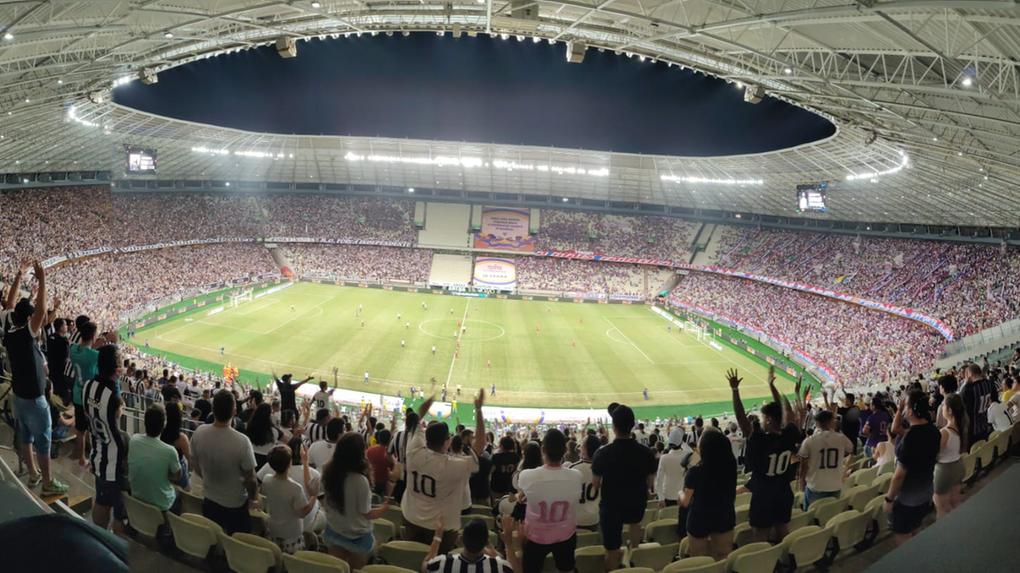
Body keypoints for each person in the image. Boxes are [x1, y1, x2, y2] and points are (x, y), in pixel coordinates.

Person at [3, 261, 69, 495]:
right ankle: (48, 483)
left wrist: (19, 276)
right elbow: (40, 313)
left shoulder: (8, 329)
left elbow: (10, 304)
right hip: (33, 398)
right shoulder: (25, 335)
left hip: (18, 394)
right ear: (28, 321)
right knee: (43, 439)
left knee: (25, 435)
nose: (39, 323)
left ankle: (32, 475)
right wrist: (42, 280)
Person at [402, 392, 487, 554]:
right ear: (447, 442)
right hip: (442, 529)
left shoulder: (413, 451)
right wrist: (479, 410)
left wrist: (431, 397)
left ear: (426, 438)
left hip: (411, 518)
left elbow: (417, 417)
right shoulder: (455, 466)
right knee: (437, 564)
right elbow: (479, 447)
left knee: (410, 556)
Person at [729, 367, 801, 542]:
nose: (760, 421)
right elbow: (785, 413)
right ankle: (785, 560)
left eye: (762, 418)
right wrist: (771, 387)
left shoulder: (760, 439)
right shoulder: (789, 433)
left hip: (764, 496)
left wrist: (735, 390)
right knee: (783, 528)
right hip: (783, 492)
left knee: (760, 535)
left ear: (768, 419)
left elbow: (741, 419)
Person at [591, 403, 657, 571]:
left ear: (613, 427)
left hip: (611, 507)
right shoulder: (646, 452)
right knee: (635, 525)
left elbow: (595, 484)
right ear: (632, 425)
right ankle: (634, 558)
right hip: (636, 503)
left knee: (611, 552)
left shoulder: (602, 453)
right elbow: (650, 483)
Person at [190, 390, 258, 534]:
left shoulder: (199, 432)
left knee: (212, 536)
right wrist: (253, 498)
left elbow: (194, 464)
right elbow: (251, 478)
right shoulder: (242, 441)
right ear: (234, 411)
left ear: (213, 410)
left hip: (209, 499)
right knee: (238, 542)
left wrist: (209, 479)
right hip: (235, 504)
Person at [517, 428, 584, 573]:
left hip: (535, 537)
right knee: (567, 568)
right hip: (566, 535)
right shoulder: (576, 476)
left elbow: (522, 494)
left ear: (543, 449)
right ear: (565, 450)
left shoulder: (527, 476)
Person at [321, 432, 390, 569]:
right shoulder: (360, 480)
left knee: (337, 569)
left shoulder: (328, 471)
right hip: (357, 536)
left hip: (334, 529)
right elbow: (366, 513)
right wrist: (384, 509)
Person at [884, 390, 940, 546]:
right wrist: (900, 407)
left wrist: (889, 499)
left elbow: (899, 476)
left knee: (902, 538)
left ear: (910, 411)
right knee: (915, 529)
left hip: (907, 500)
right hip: (926, 494)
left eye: (905, 407)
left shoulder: (910, 438)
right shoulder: (934, 431)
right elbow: (895, 429)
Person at [83, 345, 129, 534]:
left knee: (101, 501)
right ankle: (116, 547)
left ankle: (99, 536)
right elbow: (118, 413)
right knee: (120, 514)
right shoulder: (114, 399)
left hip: (97, 455)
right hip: (115, 464)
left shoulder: (87, 387)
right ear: (117, 370)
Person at [681, 429, 737, 561]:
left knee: (700, 560)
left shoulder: (695, 472)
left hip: (699, 518)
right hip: (724, 514)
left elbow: (685, 501)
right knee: (723, 556)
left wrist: (679, 493)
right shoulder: (731, 465)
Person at [261, 444, 318, 553]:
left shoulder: (266, 480)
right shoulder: (295, 488)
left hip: (273, 529)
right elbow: (303, 512)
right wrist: (314, 495)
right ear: (289, 463)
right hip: (291, 534)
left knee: (276, 555)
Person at [128, 404, 182, 513]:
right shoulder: (170, 451)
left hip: (136, 497)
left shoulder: (133, 440)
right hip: (162, 506)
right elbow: (177, 476)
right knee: (180, 495)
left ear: (145, 422)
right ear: (164, 424)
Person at [797, 410, 854, 510]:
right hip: (835, 484)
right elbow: (850, 450)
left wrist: (802, 482)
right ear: (831, 422)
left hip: (815, 486)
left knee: (811, 516)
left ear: (817, 423)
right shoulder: (841, 438)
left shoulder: (809, 441)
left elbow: (803, 465)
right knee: (829, 514)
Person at [422, 516, 519, 573]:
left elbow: (424, 566)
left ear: (460, 540)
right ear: (487, 542)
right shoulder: (499, 567)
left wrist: (438, 537)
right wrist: (508, 543)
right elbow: (514, 569)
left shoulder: (442, 563)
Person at [933, 393, 966, 519]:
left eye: (943, 405)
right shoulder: (962, 426)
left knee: (942, 508)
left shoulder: (945, 432)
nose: (941, 408)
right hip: (958, 465)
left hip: (944, 470)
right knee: (956, 502)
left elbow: (934, 454)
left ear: (950, 410)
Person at [568, 434, 602, 531]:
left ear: (585, 449)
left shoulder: (573, 468)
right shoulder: (603, 469)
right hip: (595, 518)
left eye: (582, 444)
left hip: (575, 519)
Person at [655, 428, 694, 507]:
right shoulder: (688, 455)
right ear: (681, 442)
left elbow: (659, 480)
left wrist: (661, 498)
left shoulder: (664, 458)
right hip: (683, 497)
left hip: (667, 497)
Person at [960, 364, 996, 444]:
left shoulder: (968, 389)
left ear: (970, 374)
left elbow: (963, 408)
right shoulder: (990, 383)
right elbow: (994, 400)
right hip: (986, 423)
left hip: (973, 427)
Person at [160, 400, 192, 490]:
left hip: (164, 470)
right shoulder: (182, 438)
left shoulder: (160, 432)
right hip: (177, 474)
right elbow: (190, 459)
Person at [246, 402, 286, 470]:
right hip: (267, 463)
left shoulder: (249, 427)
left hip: (251, 459)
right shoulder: (274, 431)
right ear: (269, 415)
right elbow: (287, 440)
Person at [366, 429, 394, 497]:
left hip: (370, 481)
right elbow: (392, 470)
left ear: (378, 438)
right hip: (383, 484)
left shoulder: (369, 450)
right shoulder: (389, 454)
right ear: (390, 440)